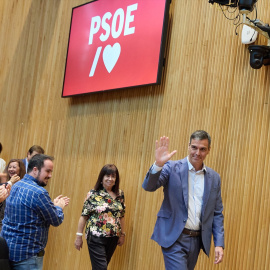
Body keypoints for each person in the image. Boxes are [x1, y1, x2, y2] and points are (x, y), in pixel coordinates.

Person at [142, 130, 224, 270]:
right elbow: (149, 186)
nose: (197, 153)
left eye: (202, 149)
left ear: (208, 150)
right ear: (188, 146)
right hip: (174, 238)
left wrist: (219, 243)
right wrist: (158, 165)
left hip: (197, 240)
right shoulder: (171, 167)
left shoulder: (214, 177)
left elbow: (217, 213)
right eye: (194, 147)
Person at [1, 154, 70, 270]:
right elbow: (56, 219)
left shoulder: (15, 185)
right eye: (47, 171)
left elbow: (30, 213)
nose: (50, 175)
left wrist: (51, 206)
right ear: (35, 170)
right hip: (28, 257)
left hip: (8, 252)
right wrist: (58, 207)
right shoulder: (39, 193)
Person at [74, 164, 126, 270]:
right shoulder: (93, 194)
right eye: (107, 176)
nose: (110, 179)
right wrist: (78, 236)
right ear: (102, 178)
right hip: (95, 236)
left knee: (101, 266)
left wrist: (122, 234)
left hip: (113, 237)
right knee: (101, 268)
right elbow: (84, 216)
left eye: (113, 176)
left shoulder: (120, 194)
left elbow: (121, 216)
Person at [0, 159, 26, 231]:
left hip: (15, 221)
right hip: (1, 220)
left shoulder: (24, 185)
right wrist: (10, 182)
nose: (11, 169)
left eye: (14, 167)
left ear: (20, 169)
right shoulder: (3, 182)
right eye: (10, 167)